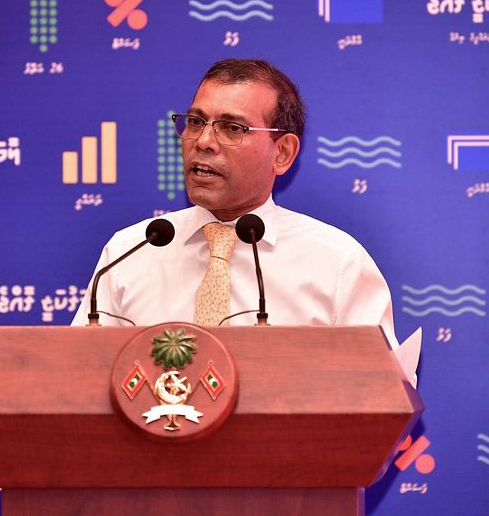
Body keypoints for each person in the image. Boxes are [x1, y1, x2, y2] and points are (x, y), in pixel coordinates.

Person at [71, 58, 396, 351]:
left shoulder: (338, 264)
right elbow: (77, 377)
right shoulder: (129, 252)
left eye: (232, 128)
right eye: (195, 122)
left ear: (282, 153)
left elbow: (382, 390)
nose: (203, 141)